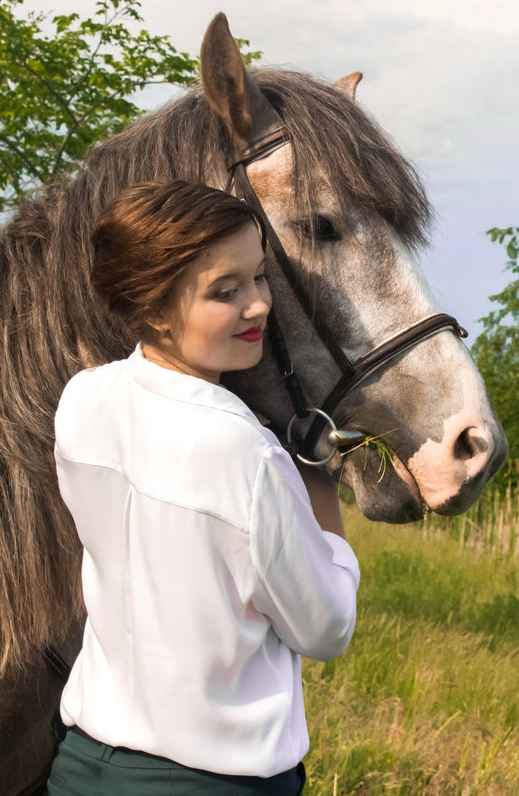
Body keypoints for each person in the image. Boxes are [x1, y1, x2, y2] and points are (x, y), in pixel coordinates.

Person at [47, 180, 360, 795]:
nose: (259, 306)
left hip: (84, 769)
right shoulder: (243, 449)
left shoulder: (83, 398)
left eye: (260, 277)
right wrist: (320, 488)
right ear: (153, 309)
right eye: (226, 291)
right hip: (212, 782)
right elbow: (326, 627)